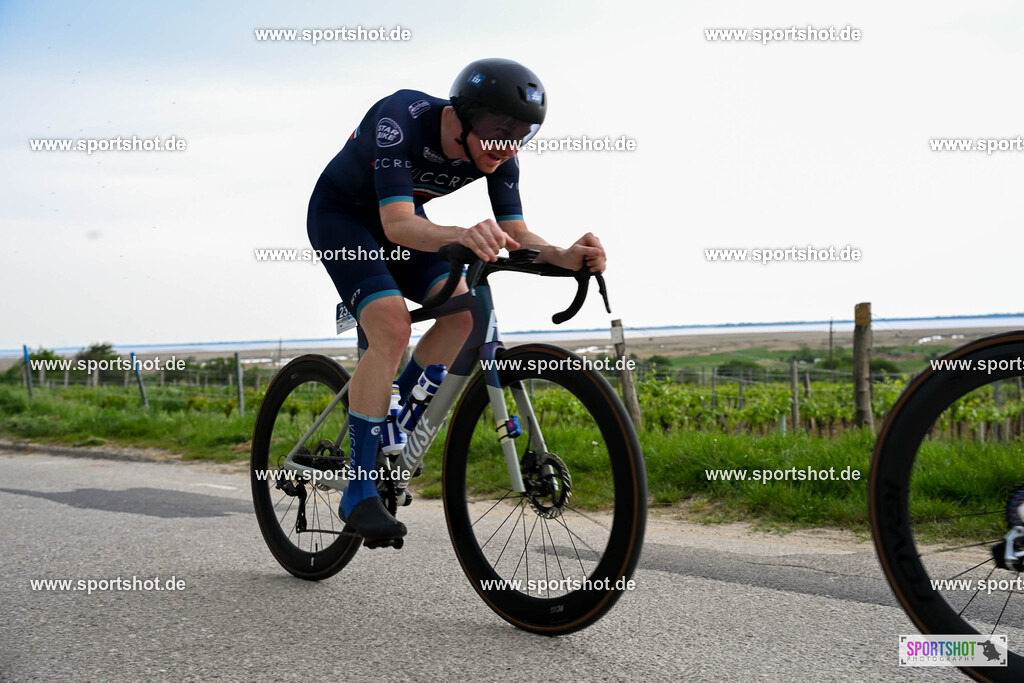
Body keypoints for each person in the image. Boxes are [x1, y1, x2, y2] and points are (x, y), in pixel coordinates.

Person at [307, 58, 606, 540]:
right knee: (392, 324)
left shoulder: (501, 156)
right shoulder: (399, 118)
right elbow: (397, 225)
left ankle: (393, 417)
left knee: (464, 316)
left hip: (405, 224)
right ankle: (358, 490)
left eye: (521, 135)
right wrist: (463, 234)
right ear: (462, 115)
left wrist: (563, 255)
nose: (506, 146)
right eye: (496, 131)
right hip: (345, 219)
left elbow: (516, 233)